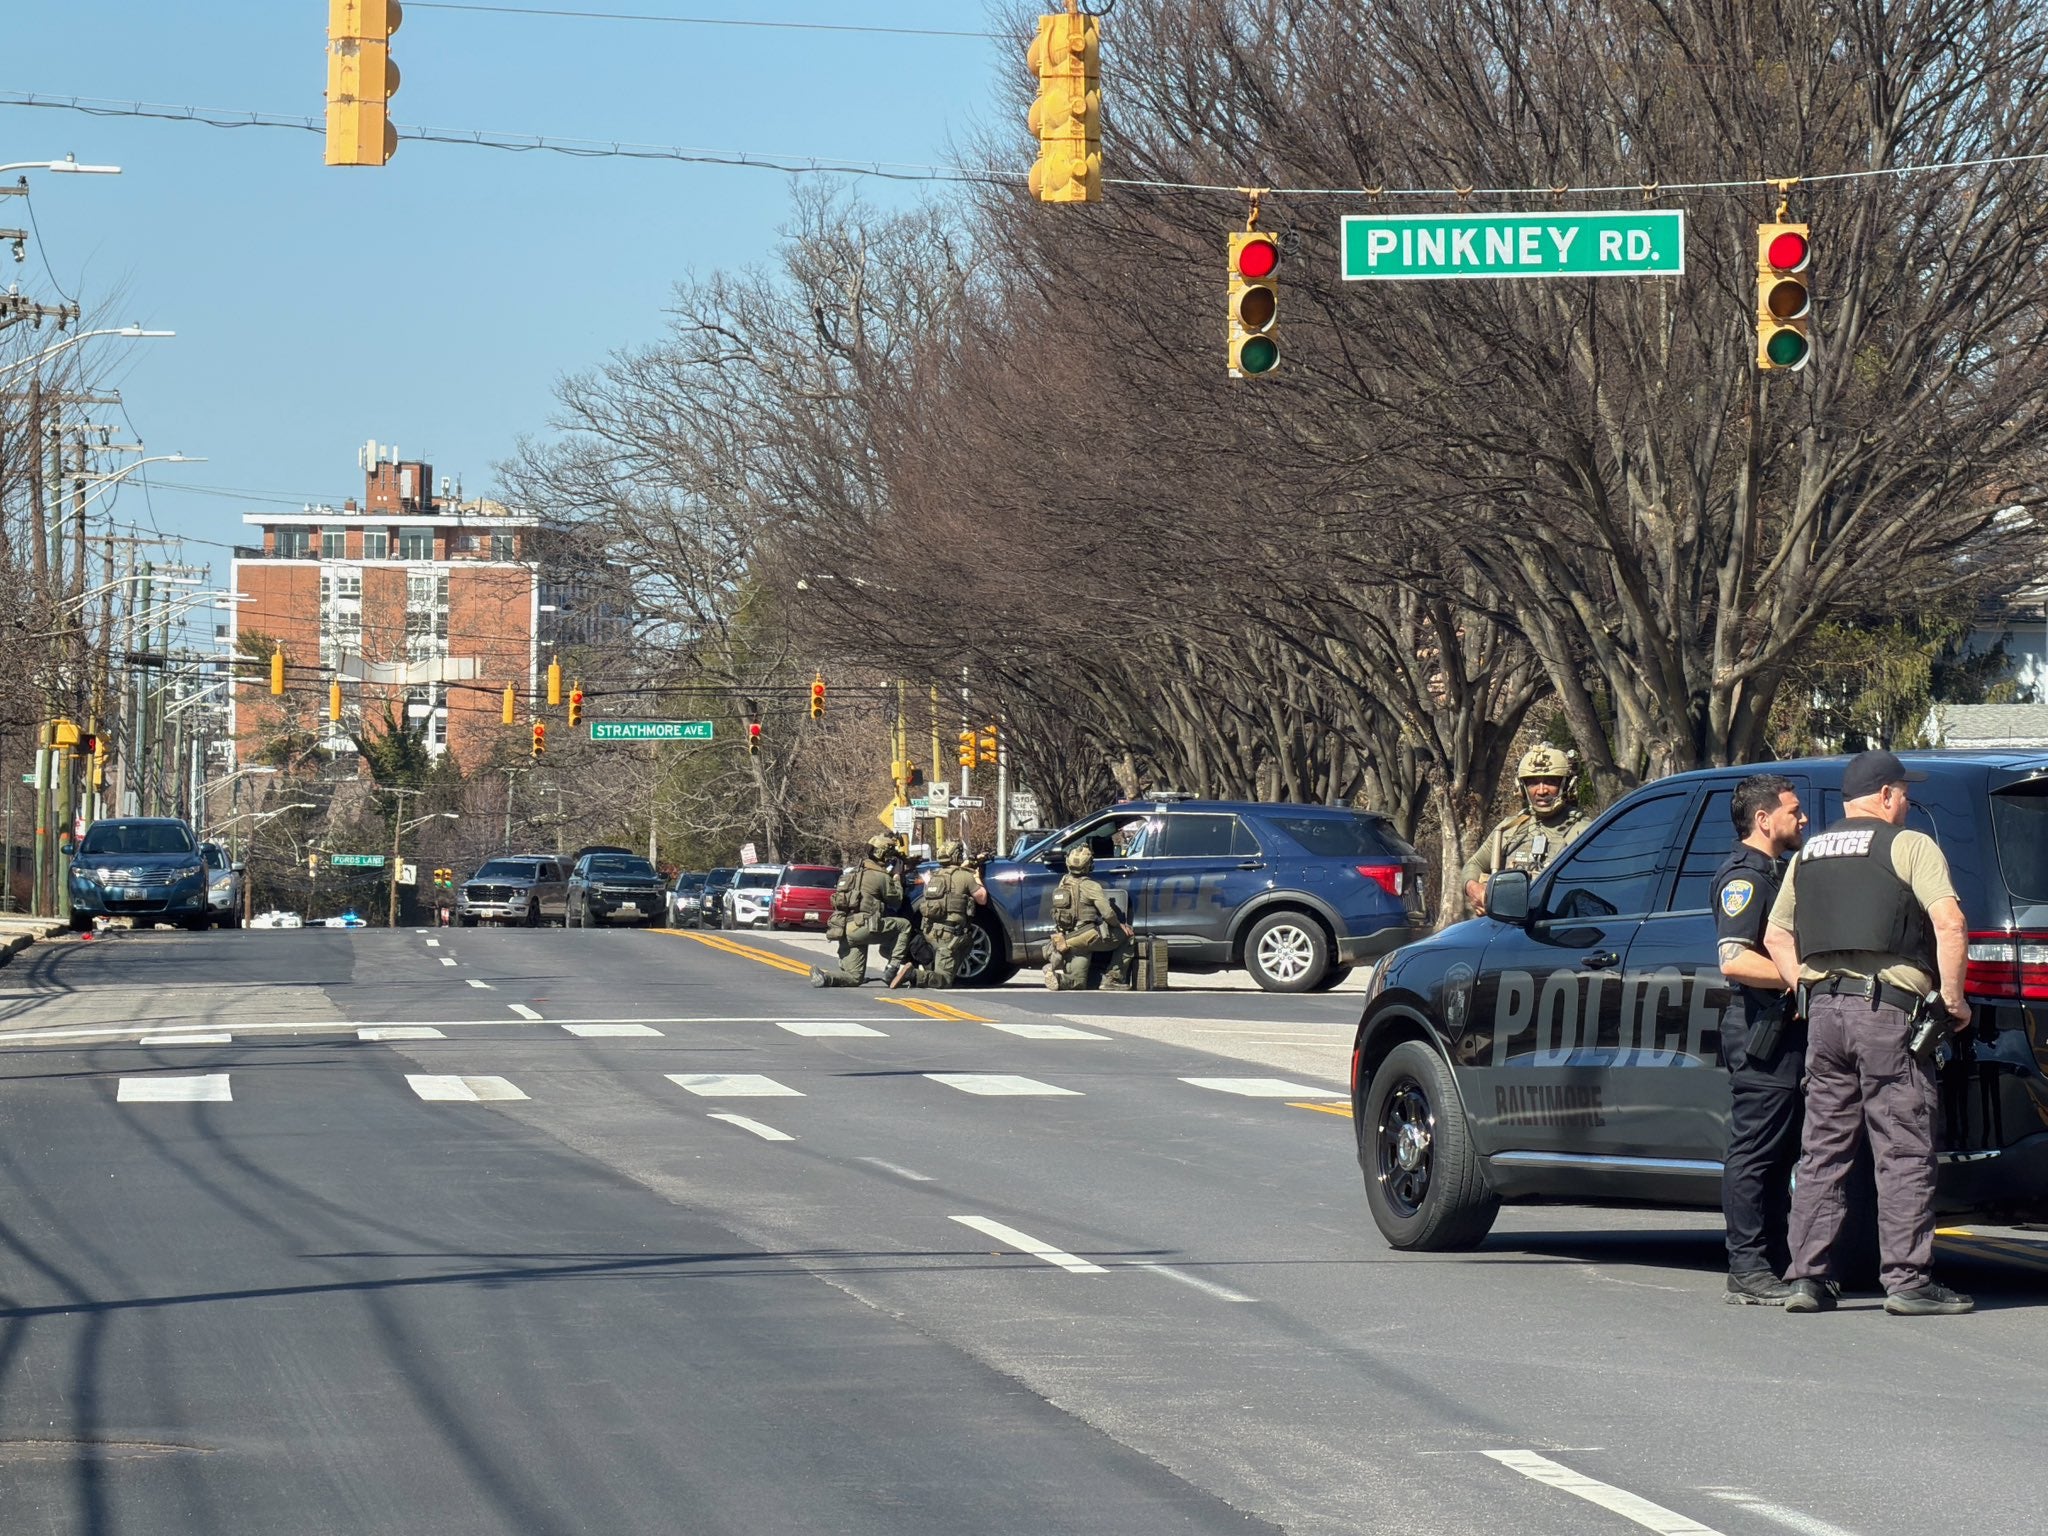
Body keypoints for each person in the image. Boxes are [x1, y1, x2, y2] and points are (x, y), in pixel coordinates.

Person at [1762, 749, 1974, 1316]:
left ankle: (1807, 1277)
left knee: (1822, 1151)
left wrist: (1804, 989)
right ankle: (1907, 1283)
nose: (1907, 801)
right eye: (1904, 792)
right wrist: (1952, 1000)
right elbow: (1949, 922)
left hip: (1825, 1015)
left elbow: (1777, 935)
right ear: (1884, 795)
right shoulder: (1909, 845)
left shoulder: (1808, 853)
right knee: (1903, 1149)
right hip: (1889, 1016)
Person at [1712, 772, 1808, 1305]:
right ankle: (1745, 1267)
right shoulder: (1744, 877)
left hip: (1786, 1029)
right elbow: (1735, 958)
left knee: (1781, 1150)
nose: (1803, 819)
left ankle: (1774, 1259)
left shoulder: (1779, 870)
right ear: (1764, 819)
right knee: (1755, 1149)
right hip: (1760, 1030)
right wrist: (1802, 978)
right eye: (1793, 811)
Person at [1462, 745, 1591, 915]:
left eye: (1551, 781)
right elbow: (1474, 864)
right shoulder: (1509, 829)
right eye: (1533, 782)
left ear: (1567, 784)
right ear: (1522, 787)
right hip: (1508, 928)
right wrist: (1474, 888)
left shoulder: (1584, 831)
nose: (1541, 790)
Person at [810, 834, 912, 988]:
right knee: (904, 925)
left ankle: (826, 977)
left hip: (845, 929)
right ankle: (892, 969)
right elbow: (896, 900)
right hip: (865, 928)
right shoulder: (880, 876)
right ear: (882, 855)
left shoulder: (852, 874)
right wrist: (897, 876)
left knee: (854, 978)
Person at [892, 839, 986, 989]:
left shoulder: (934, 876)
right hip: (949, 938)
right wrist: (976, 876)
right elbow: (982, 898)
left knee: (940, 968)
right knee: (944, 981)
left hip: (929, 934)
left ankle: (930, 967)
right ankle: (914, 975)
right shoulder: (965, 876)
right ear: (956, 856)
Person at [1045, 845, 1134, 991]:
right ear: (1088, 866)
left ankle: (1058, 978)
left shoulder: (1063, 882)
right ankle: (1113, 978)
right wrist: (1120, 925)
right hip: (1086, 936)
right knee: (1128, 937)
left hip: (1066, 938)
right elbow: (1108, 914)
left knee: (1078, 982)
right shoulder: (1090, 886)